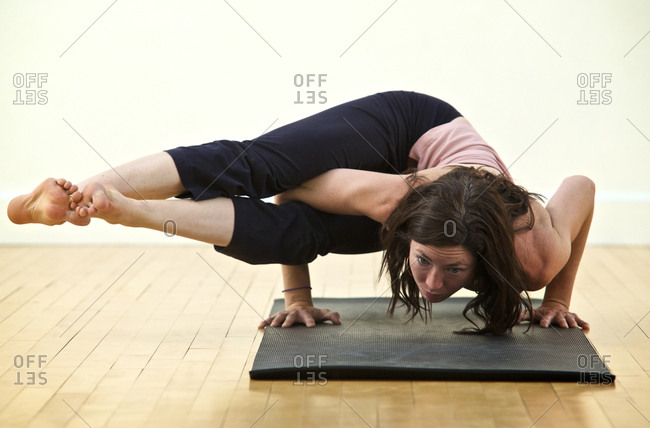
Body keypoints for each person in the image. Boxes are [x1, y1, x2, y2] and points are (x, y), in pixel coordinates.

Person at [7, 91, 594, 335]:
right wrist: (296, 294)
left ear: (487, 255)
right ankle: (81, 194)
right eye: (423, 263)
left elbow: (581, 187)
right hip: (405, 127)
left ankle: (132, 211)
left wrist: (558, 299)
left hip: (434, 193)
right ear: (407, 234)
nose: (434, 284)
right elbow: (291, 187)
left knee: (291, 233)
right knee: (261, 164)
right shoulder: (388, 198)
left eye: (454, 271)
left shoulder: (535, 251)